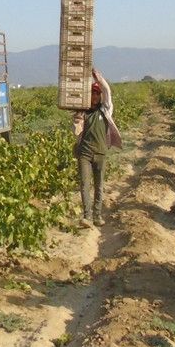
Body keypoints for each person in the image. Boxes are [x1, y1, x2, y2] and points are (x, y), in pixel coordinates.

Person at [73, 67, 123, 227]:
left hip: (101, 153)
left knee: (99, 185)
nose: (94, 96)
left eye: (96, 93)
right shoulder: (83, 113)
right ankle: (87, 216)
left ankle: (97, 215)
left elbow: (108, 91)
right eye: (92, 93)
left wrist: (99, 79)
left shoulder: (105, 110)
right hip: (85, 153)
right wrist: (76, 122)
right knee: (84, 184)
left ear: (100, 95)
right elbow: (76, 132)